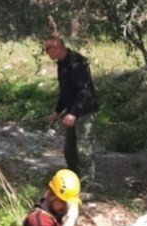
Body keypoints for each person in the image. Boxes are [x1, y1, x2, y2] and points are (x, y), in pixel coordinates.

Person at [44, 35, 98, 186]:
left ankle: (88, 184)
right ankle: (73, 181)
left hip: (85, 112)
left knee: (84, 150)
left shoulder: (77, 62)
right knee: (70, 150)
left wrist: (73, 113)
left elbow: (83, 90)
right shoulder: (61, 63)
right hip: (71, 112)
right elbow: (65, 91)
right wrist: (57, 111)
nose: (46, 53)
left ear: (57, 47)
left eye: (47, 49)